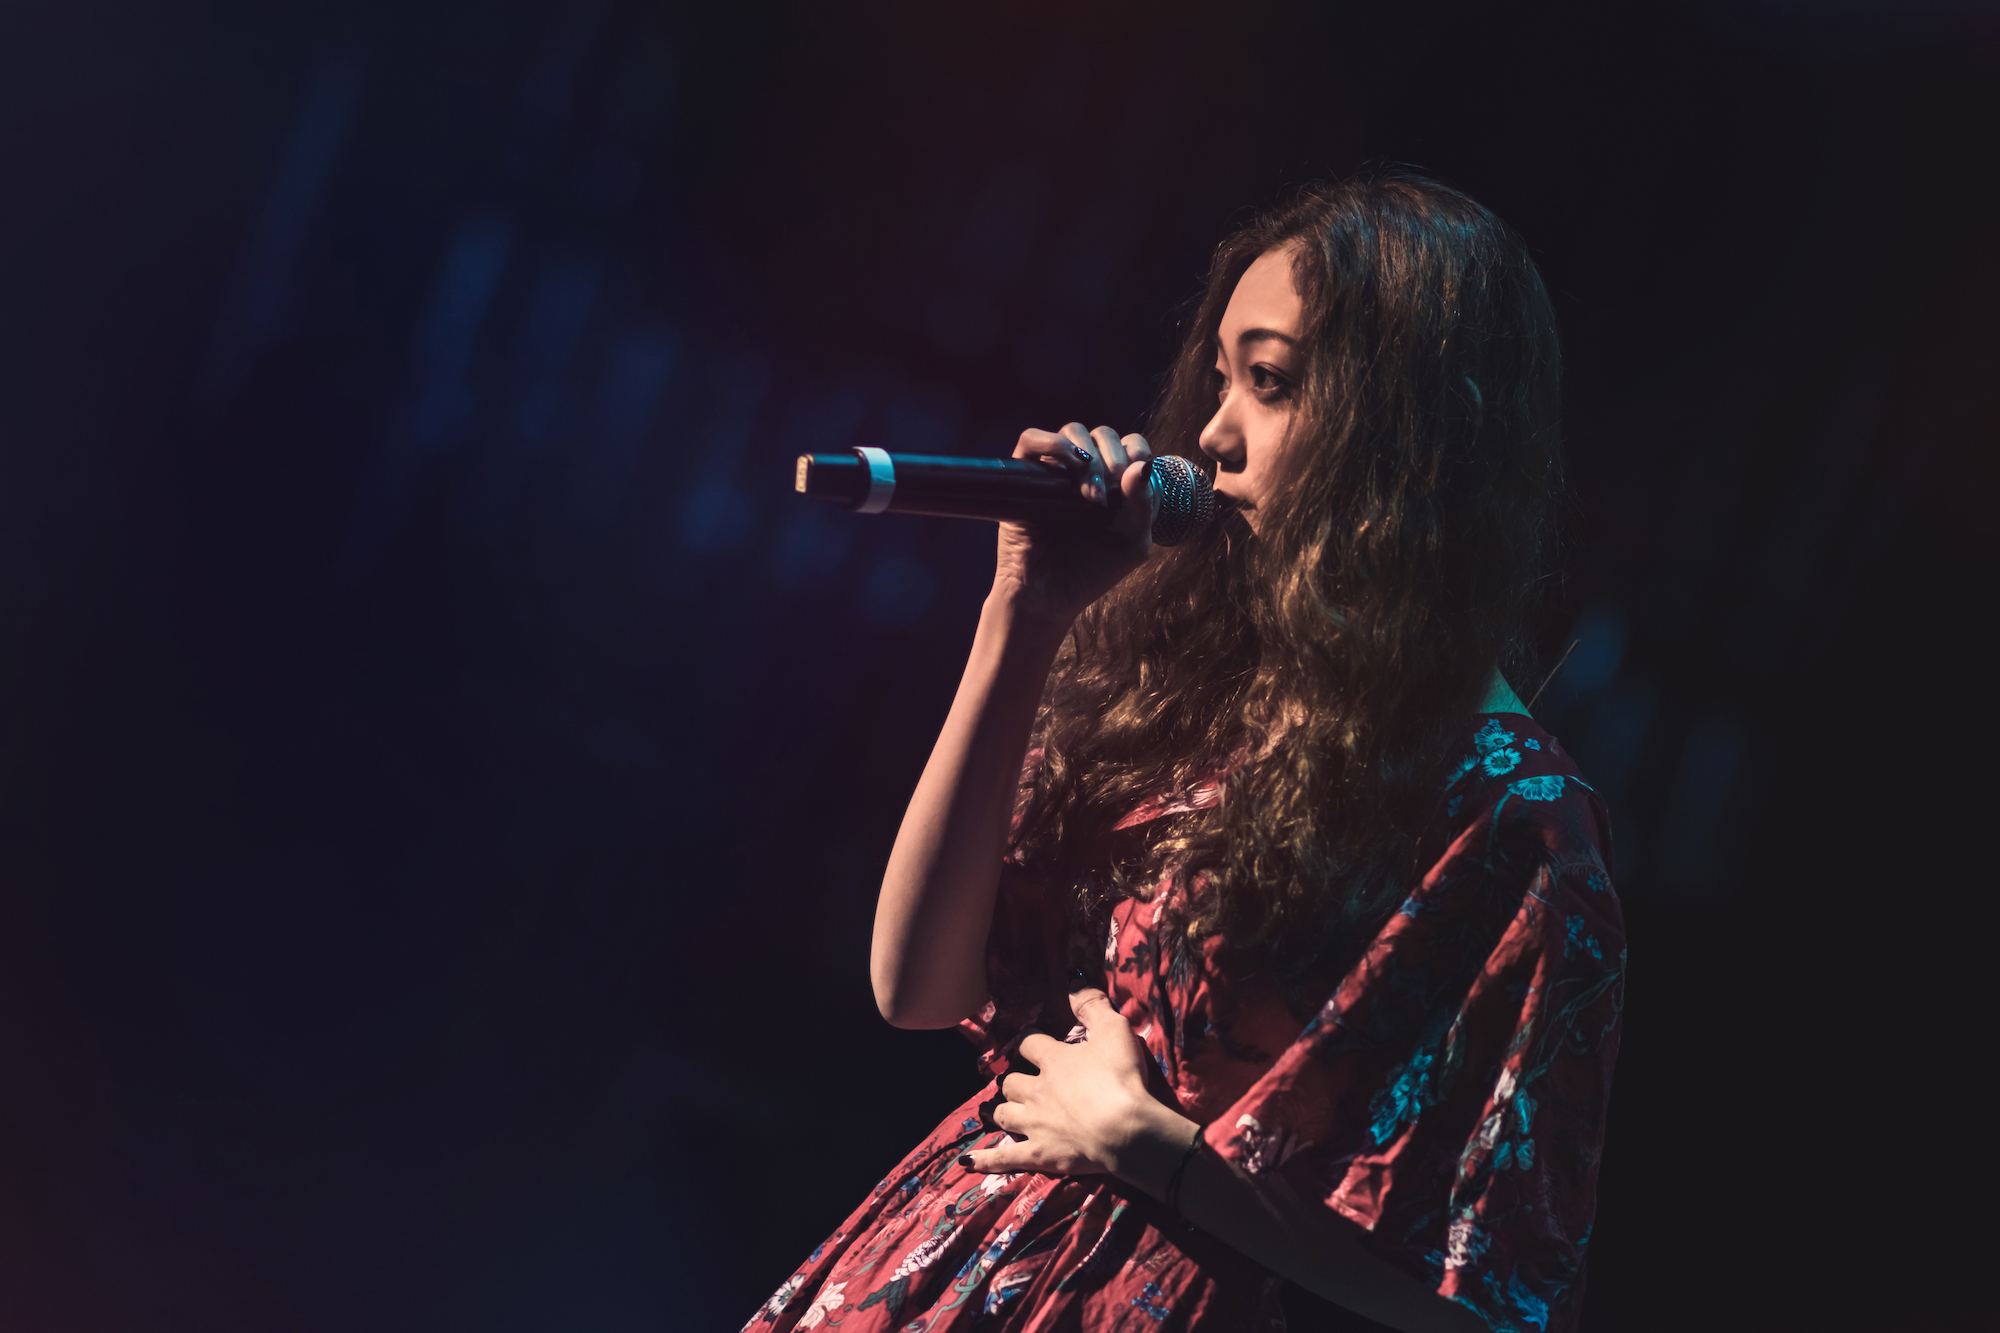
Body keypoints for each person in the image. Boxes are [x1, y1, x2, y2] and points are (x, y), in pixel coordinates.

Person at [747, 175, 1623, 1333]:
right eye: (1219, 378)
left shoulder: (1510, 813)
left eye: (1271, 382)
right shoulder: (1181, 684)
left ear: (1413, 434)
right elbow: (914, 985)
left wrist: (1152, 1151)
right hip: (947, 1271)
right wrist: (1023, 615)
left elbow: (1488, 1301)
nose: (1210, 433)